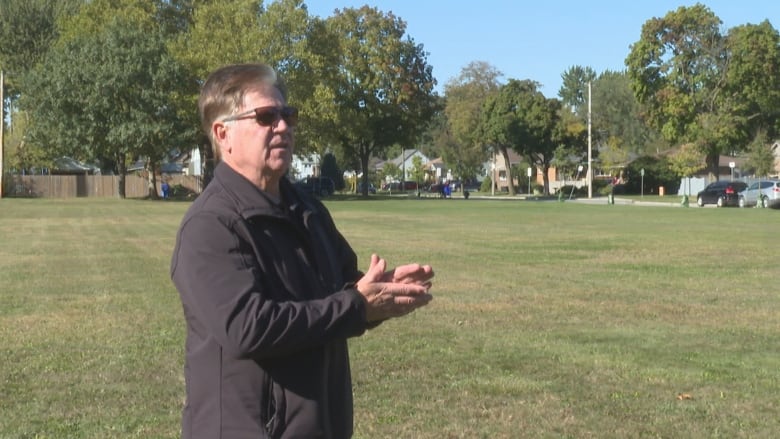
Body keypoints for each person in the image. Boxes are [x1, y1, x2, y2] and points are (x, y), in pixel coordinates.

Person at [170, 63, 434, 439]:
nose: (283, 126)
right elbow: (248, 328)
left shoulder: (306, 209)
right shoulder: (211, 226)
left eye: (287, 115)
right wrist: (358, 305)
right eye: (266, 116)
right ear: (222, 133)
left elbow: (343, 290)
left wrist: (382, 291)